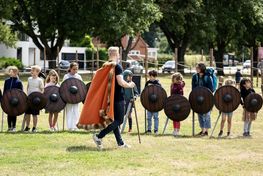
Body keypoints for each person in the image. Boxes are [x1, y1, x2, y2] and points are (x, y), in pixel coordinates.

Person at [93, 47, 135, 149]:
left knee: (115, 120)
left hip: (109, 97)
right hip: (117, 97)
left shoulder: (105, 65)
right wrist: (130, 85)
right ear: (117, 54)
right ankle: (99, 136)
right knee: (119, 120)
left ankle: (120, 143)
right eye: (119, 54)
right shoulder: (117, 66)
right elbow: (120, 82)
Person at [192, 63, 214, 136]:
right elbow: (193, 88)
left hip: (207, 98)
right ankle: (202, 130)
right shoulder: (195, 77)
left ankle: (206, 131)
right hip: (198, 98)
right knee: (200, 114)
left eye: (198, 68)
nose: (196, 69)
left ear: (201, 68)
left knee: (207, 114)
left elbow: (211, 89)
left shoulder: (208, 77)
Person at [24, 65, 44, 132]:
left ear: (37, 72)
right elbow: (28, 87)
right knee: (27, 113)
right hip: (29, 99)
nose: (31, 71)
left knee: (34, 114)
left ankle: (34, 128)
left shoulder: (40, 80)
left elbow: (42, 90)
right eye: (31, 70)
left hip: (36, 100)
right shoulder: (29, 79)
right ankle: (27, 127)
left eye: (33, 70)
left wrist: (39, 98)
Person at [63, 62, 82, 131]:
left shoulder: (78, 76)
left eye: (76, 69)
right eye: (74, 69)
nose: (75, 71)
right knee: (69, 111)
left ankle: (76, 126)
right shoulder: (66, 76)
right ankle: (70, 126)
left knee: (76, 111)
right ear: (70, 69)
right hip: (68, 96)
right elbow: (64, 86)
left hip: (76, 96)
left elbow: (81, 87)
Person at [3, 66, 23, 132]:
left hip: (16, 100)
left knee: (14, 113)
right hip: (8, 99)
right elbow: (5, 90)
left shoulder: (19, 82)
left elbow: (21, 92)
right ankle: (9, 127)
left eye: (13, 72)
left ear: (16, 73)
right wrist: (4, 98)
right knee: (9, 112)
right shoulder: (7, 81)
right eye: (10, 72)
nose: (11, 73)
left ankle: (14, 127)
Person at [145, 70, 161, 134]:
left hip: (156, 103)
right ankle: (149, 129)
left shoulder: (158, 84)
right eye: (149, 76)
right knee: (148, 117)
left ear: (154, 76)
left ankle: (156, 130)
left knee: (156, 117)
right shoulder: (147, 83)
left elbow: (160, 93)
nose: (150, 77)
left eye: (151, 76)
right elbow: (144, 92)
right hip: (149, 102)